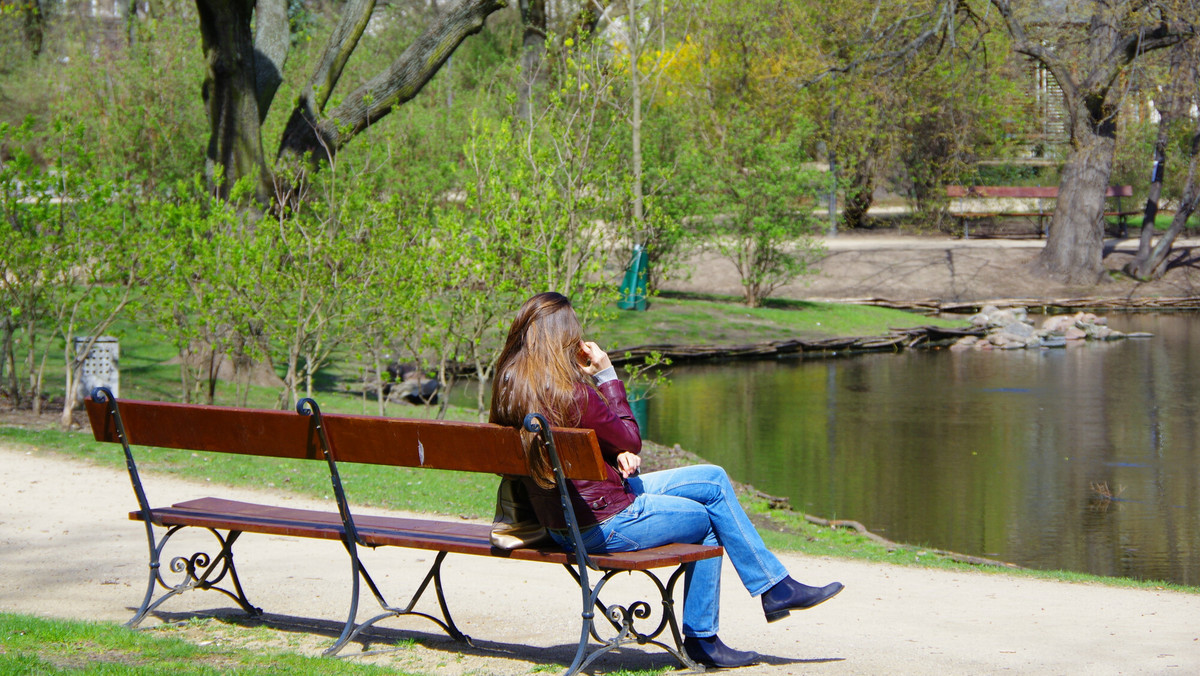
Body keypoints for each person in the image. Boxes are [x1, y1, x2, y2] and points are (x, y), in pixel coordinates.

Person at [489, 292, 844, 668]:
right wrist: (607, 375)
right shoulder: (571, 391)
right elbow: (629, 437)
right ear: (563, 338)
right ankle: (705, 638)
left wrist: (611, 454)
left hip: (561, 518)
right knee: (708, 520)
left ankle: (776, 588)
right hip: (602, 523)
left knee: (713, 479)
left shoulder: (509, 385)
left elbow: (567, 444)